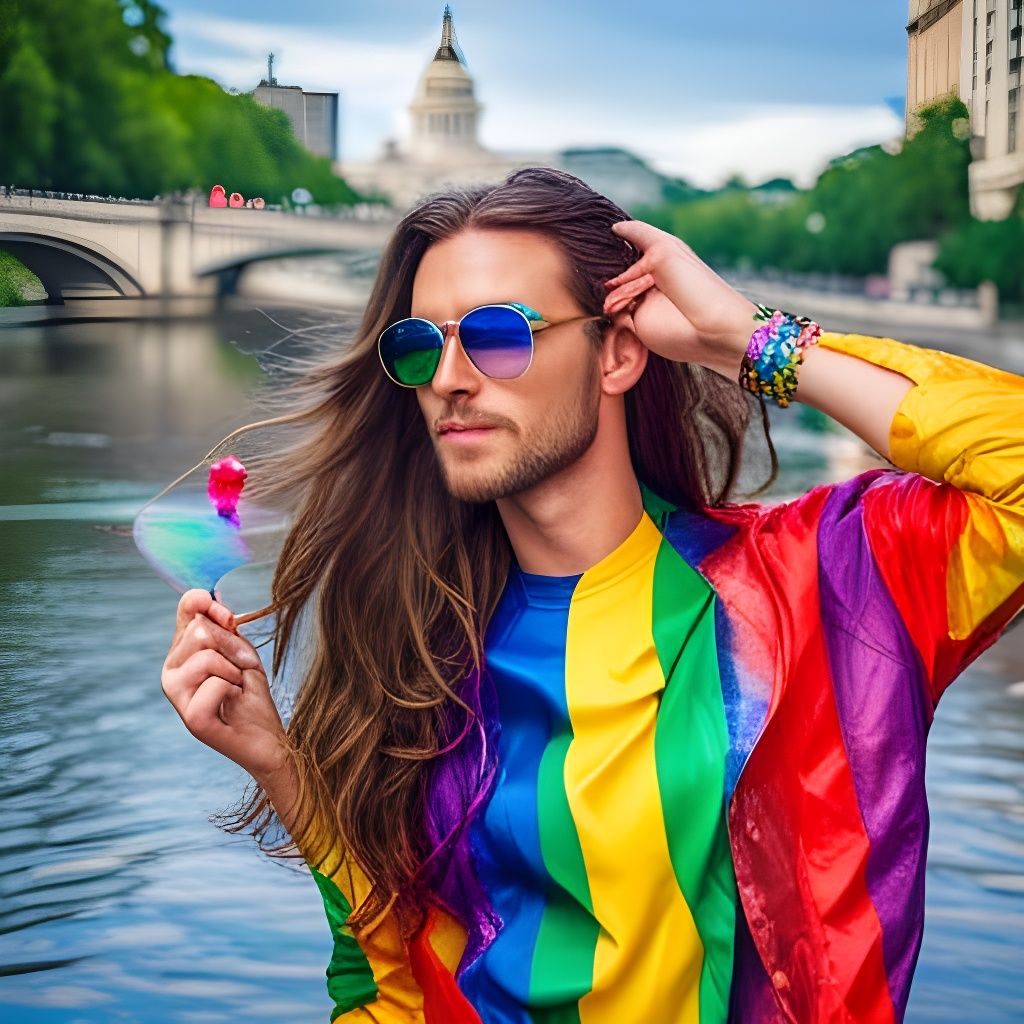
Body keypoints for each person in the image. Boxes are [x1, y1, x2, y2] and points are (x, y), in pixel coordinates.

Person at [160, 167, 1024, 1023]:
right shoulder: (414, 651)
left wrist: (742, 340)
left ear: (617, 352)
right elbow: (395, 985)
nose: (451, 378)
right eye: (422, 344)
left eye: (499, 334)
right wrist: (285, 771)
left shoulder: (824, 587)